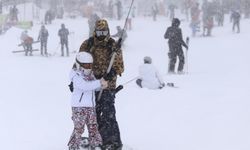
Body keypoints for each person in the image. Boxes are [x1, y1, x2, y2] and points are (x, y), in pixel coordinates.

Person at [79, 19, 124, 150]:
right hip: (91, 85)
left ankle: (113, 141)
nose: (102, 34)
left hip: (107, 86)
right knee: (94, 114)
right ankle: (97, 139)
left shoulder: (113, 45)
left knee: (108, 112)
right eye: (99, 32)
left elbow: (120, 66)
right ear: (95, 31)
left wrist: (113, 72)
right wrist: (75, 81)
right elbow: (79, 63)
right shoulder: (88, 44)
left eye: (104, 31)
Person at [68, 52, 108, 150]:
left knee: (93, 126)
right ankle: (73, 145)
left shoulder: (91, 74)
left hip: (91, 106)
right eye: (86, 65)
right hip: (79, 106)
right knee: (79, 128)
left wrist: (102, 85)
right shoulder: (75, 75)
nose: (89, 67)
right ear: (79, 64)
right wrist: (99, 82)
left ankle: (96, 145)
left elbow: (93, 88)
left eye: (90, 64)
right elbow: (84, 86)